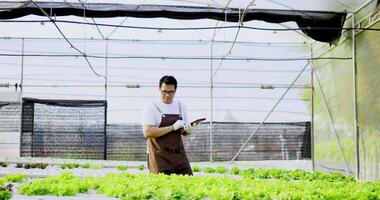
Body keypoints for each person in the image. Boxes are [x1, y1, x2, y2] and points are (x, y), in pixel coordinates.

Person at [141, 75, 195, 175]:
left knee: (188, 183)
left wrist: (188, 130)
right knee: (161, 186)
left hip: (178, 155)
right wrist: (172, 127)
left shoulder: (180, 106)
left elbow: (183, 132)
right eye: (164, 91)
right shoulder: (152, 107)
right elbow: (147, 132)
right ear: (159, 89)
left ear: (175, 90)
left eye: (170, 92)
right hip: (159, 156)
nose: (167, 95)